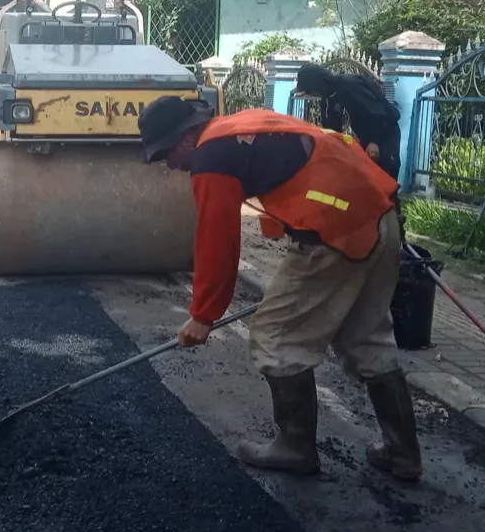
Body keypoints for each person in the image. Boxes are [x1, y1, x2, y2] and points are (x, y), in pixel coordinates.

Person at [137, 97, 422, 482]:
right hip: (382, 216)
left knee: (275, 335)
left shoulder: (210, 157)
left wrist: (204, 316)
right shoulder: (242, 125)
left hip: (332, 234)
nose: (169, 165)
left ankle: (295, 447)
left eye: (167, 154)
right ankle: (403, 453)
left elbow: (217, 240)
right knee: (366, 338)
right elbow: (297, 165)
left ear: (185, 138)